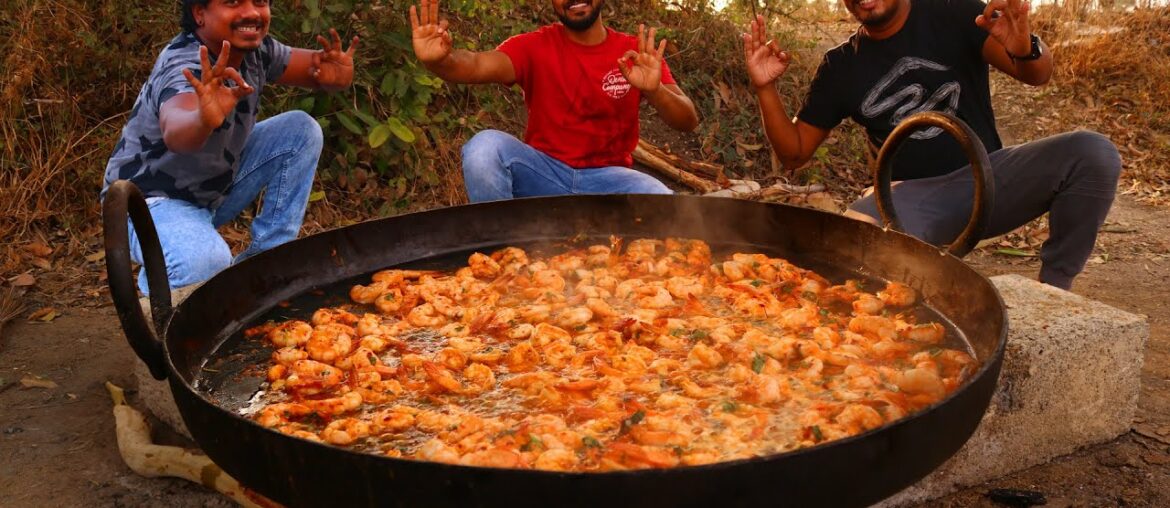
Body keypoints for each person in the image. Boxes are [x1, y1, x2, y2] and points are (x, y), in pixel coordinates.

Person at [742, 0, 1121, 290]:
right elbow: (793, 153)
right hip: (914, 201)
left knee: (1093, 153)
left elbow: (1036, 74)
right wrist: (764, 87)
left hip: (990, 179)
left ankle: (1054, 292)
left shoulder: (953, 11)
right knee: (854, 234)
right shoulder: (840, 67)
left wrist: (1024, 48)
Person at [101, 0, 358, 295]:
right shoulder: (184, 63)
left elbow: (316, 69)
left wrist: (335, 77)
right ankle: (162, 299)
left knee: (300, 131)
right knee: (205, 262)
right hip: (149, 204)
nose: (251, 12)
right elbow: (176, 132)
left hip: (211, 190)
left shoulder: (258, 51)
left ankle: (263, 268)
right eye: (233, 3)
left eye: (260, 2)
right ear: (200, 14)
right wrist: (202, 118)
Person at [409, 0, 699, 202]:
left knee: (661, 201)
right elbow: (473, 65)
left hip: (611, 181)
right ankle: (502, 254)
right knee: (484, 148)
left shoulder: (635, 53)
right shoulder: (533, 46)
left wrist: (654, 89)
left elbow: (687, 121)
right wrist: (441, 61)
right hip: (543, 174)